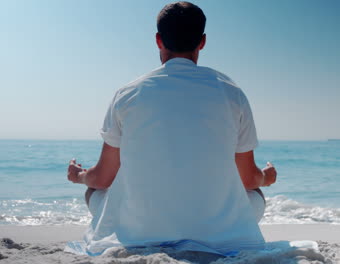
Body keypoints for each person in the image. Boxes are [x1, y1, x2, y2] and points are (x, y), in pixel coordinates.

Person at [67, 1, 277, 256]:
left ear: (158, 40)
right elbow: (247, 179)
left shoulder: (128, 93)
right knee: (255, 194)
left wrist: (78, 176)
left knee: (93, 191)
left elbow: (102, 178)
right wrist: (266, 178)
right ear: (202, 41)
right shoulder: (231, 93)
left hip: (142, 231)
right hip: (215, 233)